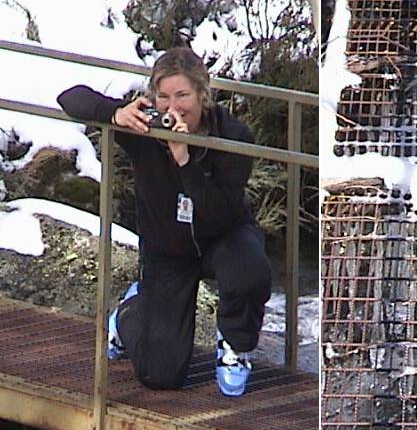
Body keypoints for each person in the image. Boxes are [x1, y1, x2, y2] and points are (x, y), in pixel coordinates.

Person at [57, 47, 272, 397]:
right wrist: (115, 114)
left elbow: (217, 212)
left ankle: (235, 345)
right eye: (164, 96)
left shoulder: (234, 136)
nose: (173, 107)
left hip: (224, 234)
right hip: (168, 250)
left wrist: (184, 158)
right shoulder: (145, 127)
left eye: (183, 96)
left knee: (250, 269)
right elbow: (70, 98)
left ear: (203, 95)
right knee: (161, 375)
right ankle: (130, 312)